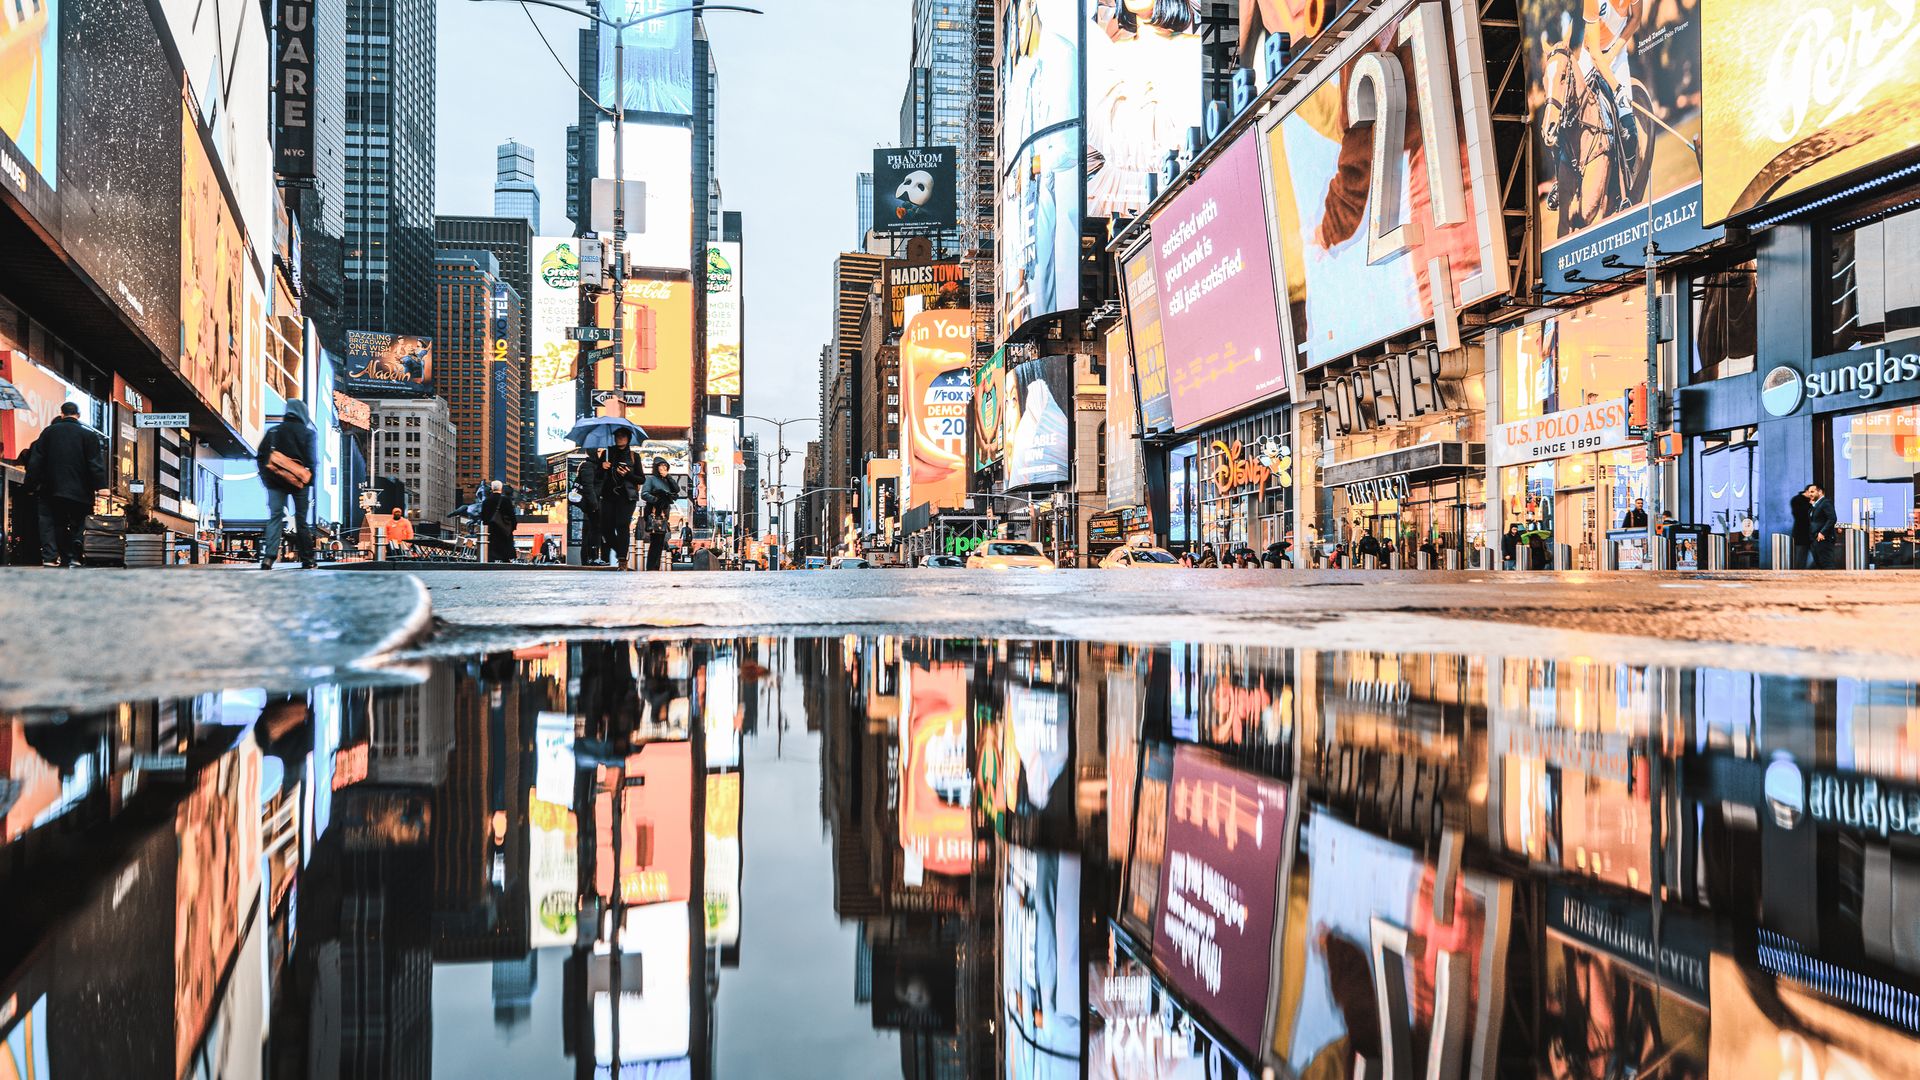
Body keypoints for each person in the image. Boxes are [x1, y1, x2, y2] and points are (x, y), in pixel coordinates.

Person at [24, 402, 107, 567]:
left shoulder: (48, 432)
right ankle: (76, 548)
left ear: (61, 414)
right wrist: (101, 486)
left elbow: (36, 461)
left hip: (52, 488)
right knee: (81, 520)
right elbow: (95, 463)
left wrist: (30, 485)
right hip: (81, 490)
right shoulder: (89, 435)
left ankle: (50, 557)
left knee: (53, 522)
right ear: (79, 415)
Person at [257, 399, 318, 569]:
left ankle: (269, 558)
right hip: (300, 483)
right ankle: (307, 558)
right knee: (301, 521)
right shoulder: (308, 433)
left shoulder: (274, 431)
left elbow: (261, 456)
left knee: (275, 517)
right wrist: (309, 482)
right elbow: (312, 461)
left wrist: (266, 479)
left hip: (275, 482)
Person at [594, 431, 642, 568]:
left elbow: (641, 478)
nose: (620, 439)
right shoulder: (606, 454)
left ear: (628, 439)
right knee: (606, 528)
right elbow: (597, 477)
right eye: (617, 436)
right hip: (608, 496)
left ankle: (622, 559)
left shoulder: (634, 457)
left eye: (623, 436)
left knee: (622, 525)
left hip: (627, 497)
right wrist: (602, 467)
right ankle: (620, 549)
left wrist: (628, 474)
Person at [642, 459, 679, 571]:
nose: (663, 467)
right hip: (653, 512)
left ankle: (655, 566)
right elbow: (644, 494)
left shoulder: (667, 480)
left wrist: (668, 477)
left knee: (661, 541)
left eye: (665, 465)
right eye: (660, 465)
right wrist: (656, 499)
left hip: (664, 513)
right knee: (655, 541)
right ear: (656, 467)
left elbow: (676, 490)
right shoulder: (650, 479)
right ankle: (651, 566)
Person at [480, 480, 518, 562]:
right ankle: (505, 562)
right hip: (504, 529)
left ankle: (491, 562)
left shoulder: (486, 501)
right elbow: (512, 515)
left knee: (492, 549)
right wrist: (512, 527)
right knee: (505, 551)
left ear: (492, 488)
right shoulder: (506, 500)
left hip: (491, 530)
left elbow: (483, 517)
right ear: (501, 488)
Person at [1809, 485, 1839, 569]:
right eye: (1809, 492)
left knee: (1827, 564)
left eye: (1812, 492)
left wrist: (1822, 532)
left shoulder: (1825, 502)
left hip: (1823, 539)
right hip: (1815, 539)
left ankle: (1832, 581)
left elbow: (1832, 518)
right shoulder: (1815, 505)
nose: (1810, 494)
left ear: (1820, 492)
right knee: (1819, 564)